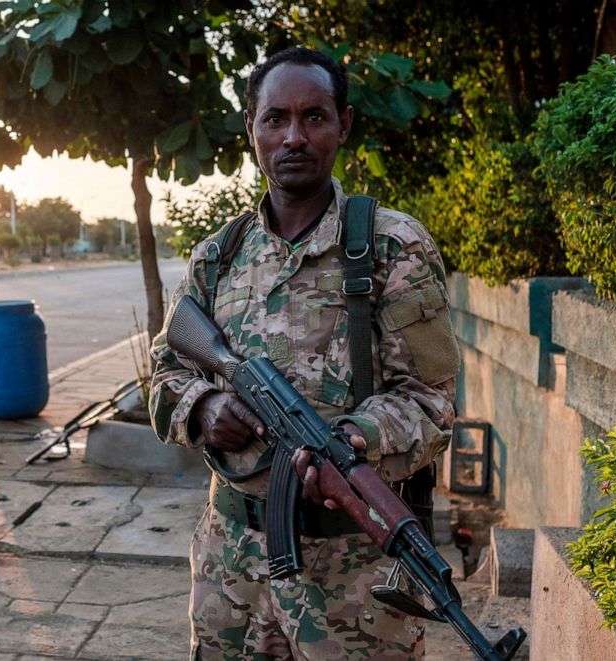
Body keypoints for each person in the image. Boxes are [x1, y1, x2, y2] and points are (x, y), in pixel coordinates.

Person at [149, 47, 460, 660]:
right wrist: (205, 404)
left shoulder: (393, 247)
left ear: (343, 124)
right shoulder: (219, 254)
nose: (294, 137)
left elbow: (431, 402)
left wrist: (352, 441)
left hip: (355, 573)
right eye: (276, 119)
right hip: (230, 560)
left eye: (314, 117)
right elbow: (164, 372)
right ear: (252, 129)